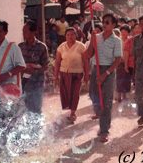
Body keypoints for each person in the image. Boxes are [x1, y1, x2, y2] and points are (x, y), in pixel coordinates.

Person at [86, 13, 122, 143]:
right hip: (96, 68)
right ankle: (103, 119)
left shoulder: (117, 40)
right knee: (94, 96)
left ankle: (104, 130)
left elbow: (118, 60)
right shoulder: (96, 37)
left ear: (113, 25)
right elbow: (88, 54)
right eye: (103, 22)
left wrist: (105, 74)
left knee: (106, 102)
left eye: (107, 22)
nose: (105, 24)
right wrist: (92, 41)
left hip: (109, 71)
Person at [0, 19, 26, 97]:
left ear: (6, 32)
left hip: (9, 90)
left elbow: (21, 66)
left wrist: (7, 74)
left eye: (0, 31)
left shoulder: (13, 47)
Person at [55, 27, 89, 122]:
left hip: (77, 74)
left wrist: (86, 75)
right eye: (68, 35)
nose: (70, 36)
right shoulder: (61, 46)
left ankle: (73, 113)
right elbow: (57, 62)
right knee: (66, 93)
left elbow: (85, 61)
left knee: (75, 93)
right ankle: (70, 110)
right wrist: (56, 76)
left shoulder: (81, 46)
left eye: (72, 34)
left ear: (76, 35)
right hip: (64, 73)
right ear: (65, 36)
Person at [19, 20, 49, 113]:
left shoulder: (42, 47)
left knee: (36, 107)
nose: (23, 33)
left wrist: (34, 70)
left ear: (33, 32)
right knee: (24, 107)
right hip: (23, 82)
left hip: (37, 82)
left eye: (25, 31)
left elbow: (46, 66)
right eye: (23, 31)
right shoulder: (20, 46)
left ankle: (37, 126)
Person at [115, 25, 133, 102]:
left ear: (128, 32)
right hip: (119, 62)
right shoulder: (118, 40)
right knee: (119, 78)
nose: (123, 33)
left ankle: (124, 95)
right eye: (122, 31)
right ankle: (119, 95)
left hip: (128, 62)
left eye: (125, 31)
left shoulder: (130, 40)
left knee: (127, 79)